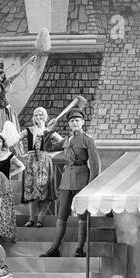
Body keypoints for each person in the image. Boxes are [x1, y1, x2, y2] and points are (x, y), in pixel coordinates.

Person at [42, 109, 100, 258]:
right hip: (66, 182)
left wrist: (90, 186)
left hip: (82, 182)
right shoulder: (67, 140)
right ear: (69, 124)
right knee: (62, 215)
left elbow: (95, 165)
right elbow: (47, 147)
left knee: (82, 217)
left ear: (82, 122)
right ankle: (54, 248)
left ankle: (80, 249)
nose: (74, 123)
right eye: (72, 121)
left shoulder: (88, 140)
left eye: (77, 120)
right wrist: (49, 130)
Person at [18, 107, 62, 228]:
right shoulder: (29, 130)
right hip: (31, 164)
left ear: (45, 116)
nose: (38, 117)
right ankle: (32, 218)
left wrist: (51, 152)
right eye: (36, 115)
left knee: (44, 191)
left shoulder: (49, 132)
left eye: (41, 115)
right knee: (31, 191)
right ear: (33, 117)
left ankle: (41, 219)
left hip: (44, 164)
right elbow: (16, 138)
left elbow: (63, 143)